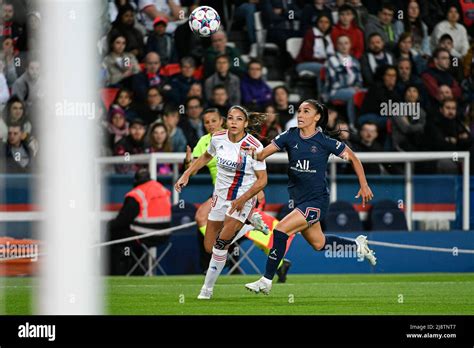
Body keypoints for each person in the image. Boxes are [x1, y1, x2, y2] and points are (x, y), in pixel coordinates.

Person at [244, 100, 376, 294]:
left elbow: (353, 158)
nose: (300, 115)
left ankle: (266, 280)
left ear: (317, 117)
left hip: (317, 202)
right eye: (299, 111)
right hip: (299, 201)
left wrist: (364, 184)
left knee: (280, 231)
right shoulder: (289, 136)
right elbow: (262, 155)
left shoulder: (324, 141)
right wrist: (251, 153)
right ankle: (357, 244)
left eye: (306, 111)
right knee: (319, 243)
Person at [175, 105, 269, 299]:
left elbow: (263, 180)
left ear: (246, 123)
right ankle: (250, 227)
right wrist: (186, 174)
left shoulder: (254, 146)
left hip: (242, 200)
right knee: (209, 247)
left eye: (239, 119)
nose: (234, 122)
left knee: (220, 245)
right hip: (220, 198)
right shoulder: (217, 138)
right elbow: (206, 156)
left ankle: (206, 290)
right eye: (231, 118)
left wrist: (243, 199)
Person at [107, 168, 172, 275]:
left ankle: (114, 271)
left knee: (113, 231)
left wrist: (109, 225)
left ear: (135, 181)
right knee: (130, 233)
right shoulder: (162, 189)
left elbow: (122, 221)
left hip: (145, 236)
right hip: (164, 236)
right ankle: (137, 268)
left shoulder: (137, 194)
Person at [325, 35, 364, 127]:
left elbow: (359, 78)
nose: (344, 46)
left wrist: (358, 86)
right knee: (353, 94)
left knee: (367, 93)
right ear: (336, 46)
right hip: (334, 91)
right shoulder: (332, 60)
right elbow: (335, 80)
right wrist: (352, 88)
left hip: (352, 89)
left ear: (350, 45)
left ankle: (363, 122)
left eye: (346, 43)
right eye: (340, 43)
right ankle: (352, 124)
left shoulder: (353, 60)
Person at [296, 14, 334, 80]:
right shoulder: (310, 33)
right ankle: (324, 90)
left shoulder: (329, 37)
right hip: (305, 64)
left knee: (343, 68)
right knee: (325, 70)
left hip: (324, 64)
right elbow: (307, 55)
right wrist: (324, 61)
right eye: (321, 22)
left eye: (326, 22)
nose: (323, 24)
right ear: (317, 23)